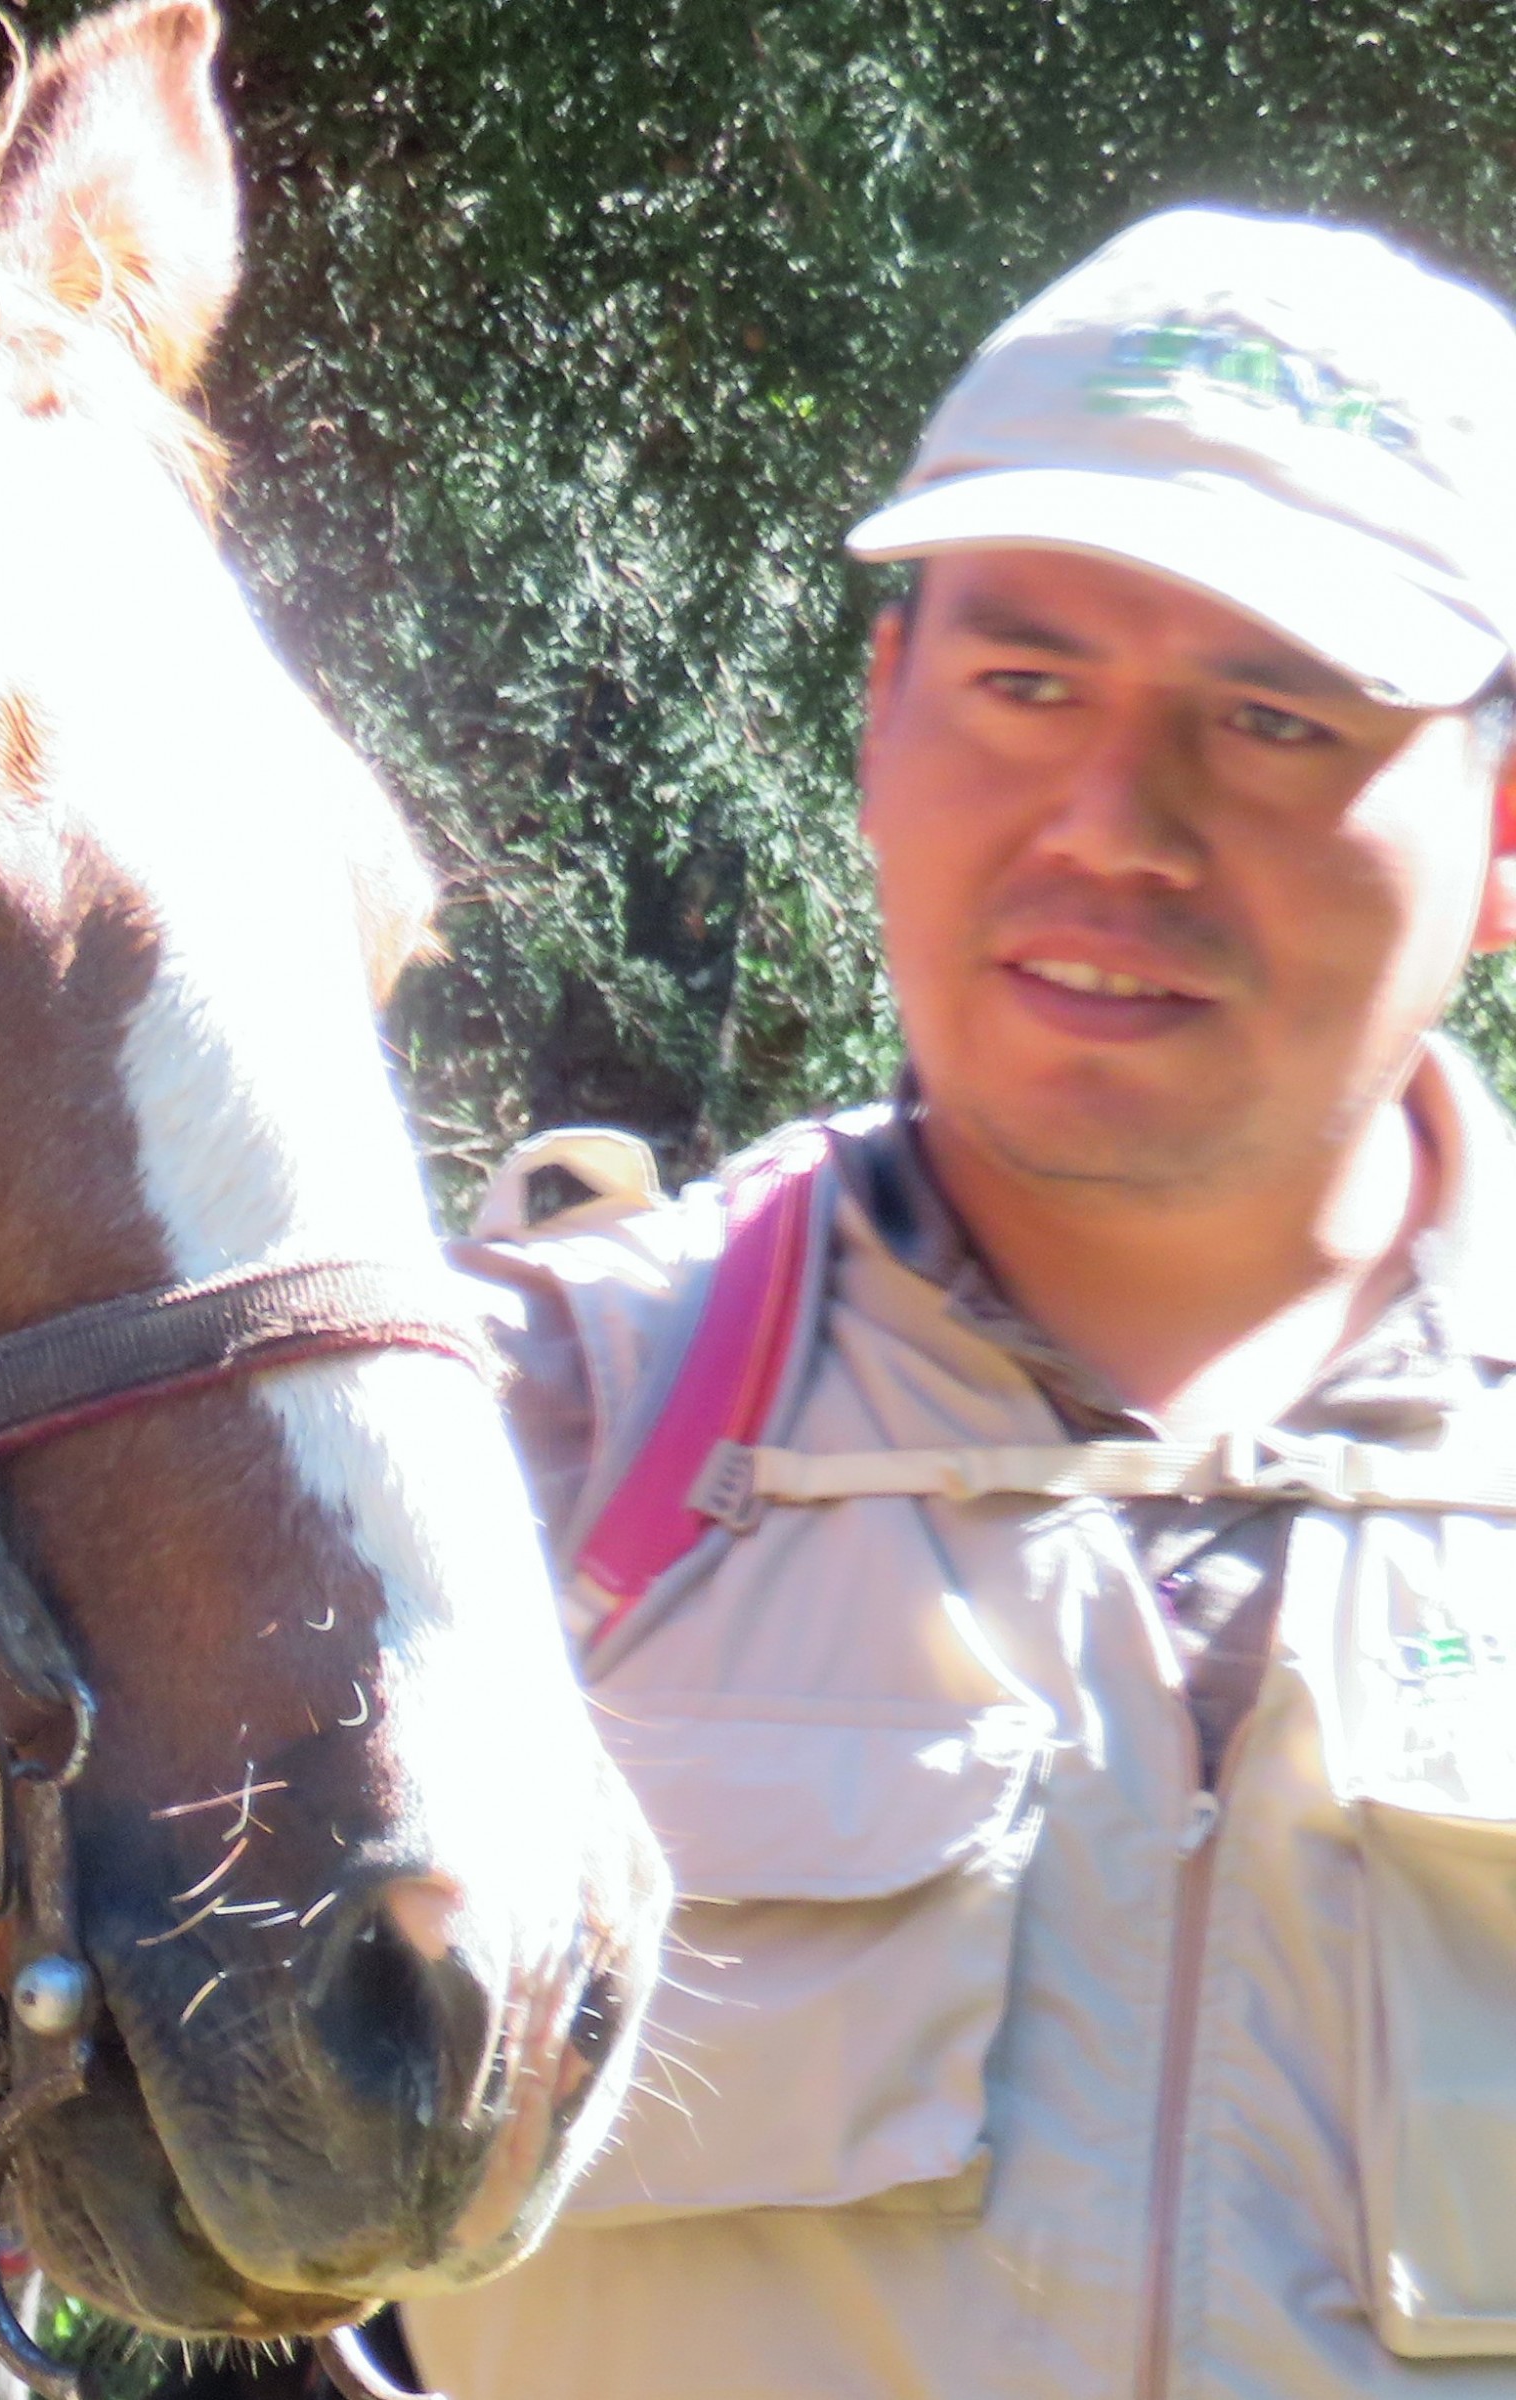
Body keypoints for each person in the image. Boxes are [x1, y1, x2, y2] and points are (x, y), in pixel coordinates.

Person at [401, 206, 1516, 2399]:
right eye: (1023, 685)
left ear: (1495, 835)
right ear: (879, 716)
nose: (1115, 826)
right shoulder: (499, 1454)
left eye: (1276, 722)